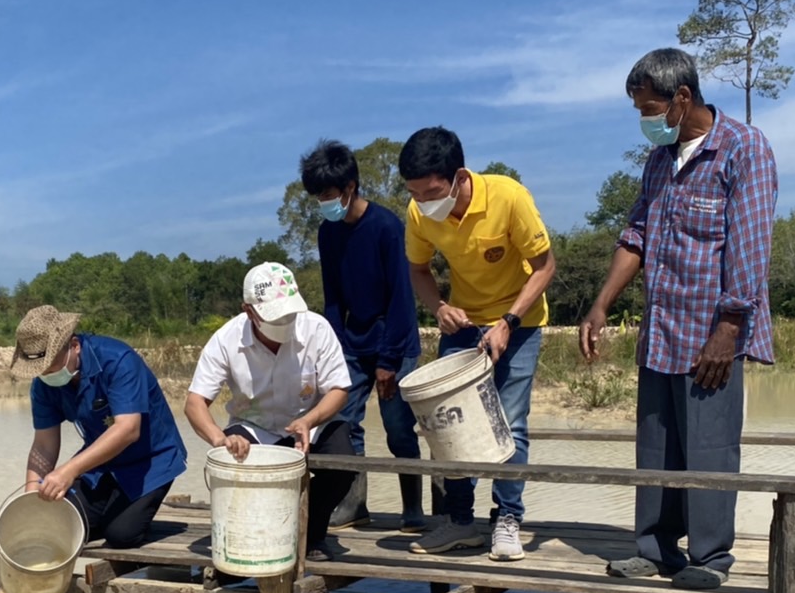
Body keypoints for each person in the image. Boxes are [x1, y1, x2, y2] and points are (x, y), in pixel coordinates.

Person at [578, 47, 778, 591]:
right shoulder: (660, 160)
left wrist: (730, 329)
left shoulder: (743, 149)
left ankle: (710, 559)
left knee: (710, 447)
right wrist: (601, 303)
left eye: (648, 109)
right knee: (656, 443)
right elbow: (636, 235)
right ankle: (656, 548)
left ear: (682, 98)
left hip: (711, 334)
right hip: (661, 329)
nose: (644, 120)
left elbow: (750, 247)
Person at [399, 126, 556, 561]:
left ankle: (507, 519)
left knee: (510, 421)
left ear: (458, 176)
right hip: (464, 325)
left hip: (519, 321)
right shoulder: (419, 213)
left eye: (431, 191)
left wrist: (508, 321)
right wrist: (439, 308)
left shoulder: (508, 197)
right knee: (449, 423)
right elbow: (418, 271)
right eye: (414, 193)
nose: (424, 202)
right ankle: (460, 521)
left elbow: (544, 267)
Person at [184, 262, 356, 561]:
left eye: (289, 313)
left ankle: (312, 534)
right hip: (254, 426)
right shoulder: (226, 340)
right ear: (248, 310)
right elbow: (194, 402)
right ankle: (254, 536)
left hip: (310, 420)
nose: (285, 322)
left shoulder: (316, 328)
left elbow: (339, 389)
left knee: (343, 464)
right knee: (234, 463)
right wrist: (218, 440)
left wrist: (309, 419)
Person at [299, 138, 425, 533]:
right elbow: (333, 299)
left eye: (328, 194)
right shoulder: (328, 233)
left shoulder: (387, 228)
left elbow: (403, 299)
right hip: (351, 345)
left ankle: (413, 509)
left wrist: (389, 361)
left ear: (351, 187)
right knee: (344, 423)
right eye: (318, 195)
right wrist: (328, 351)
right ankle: (353, 504)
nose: (324, 201)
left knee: (398, 426)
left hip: (395, 342)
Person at [13, 305, 187, 549]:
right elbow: (44, 444)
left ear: (74, 346)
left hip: (150, 460)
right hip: (101, 464)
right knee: (56, 521)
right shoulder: (43, 384)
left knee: (120, 534)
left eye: (51, 366)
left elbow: (128, 429)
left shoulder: (118, 360)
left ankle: (130, 513)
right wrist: (32, 498)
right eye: (40, 371)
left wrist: (68, 471)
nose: (47, 375)